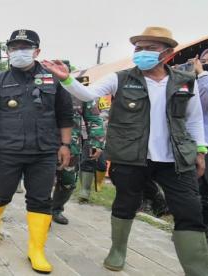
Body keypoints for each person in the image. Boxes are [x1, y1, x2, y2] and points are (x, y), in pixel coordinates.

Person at [42, 26, 208, 275]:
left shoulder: (185, 82)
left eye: (149, 49)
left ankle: (197, 269)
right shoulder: (120, 78)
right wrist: (66, 78)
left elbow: (194, 119)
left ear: (168, 53)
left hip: (176, 158)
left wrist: (200, 150)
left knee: (190, 212)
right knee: (125, 204)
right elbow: (88, 94)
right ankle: (117, 250)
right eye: (138, 49)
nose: (142, 53)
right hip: (130, 156)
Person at [0, 29, 73, 274]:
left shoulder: (53, 79)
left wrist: (65, 145)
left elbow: (65, 114)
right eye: (14, 47)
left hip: (44, 151)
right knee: (1, 193)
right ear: (8, 52)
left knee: (41, 199)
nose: (19, 52)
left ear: (37, 51)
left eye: (25, 47)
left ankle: (36, 249)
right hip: (8, 149)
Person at [52, 76, 105, 224]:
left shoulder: (79, 94)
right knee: (41, 183)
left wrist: (97, 143)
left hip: (71, 148)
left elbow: (94, 119)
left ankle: (55, 209)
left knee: (68, 183)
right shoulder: (39, 91)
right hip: (43, 147)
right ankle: (41, 214)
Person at [194, 49, 208, 240]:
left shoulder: (203, 80)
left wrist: (202, 74)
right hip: (200, 145)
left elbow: (204, 101)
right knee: (198, 191)